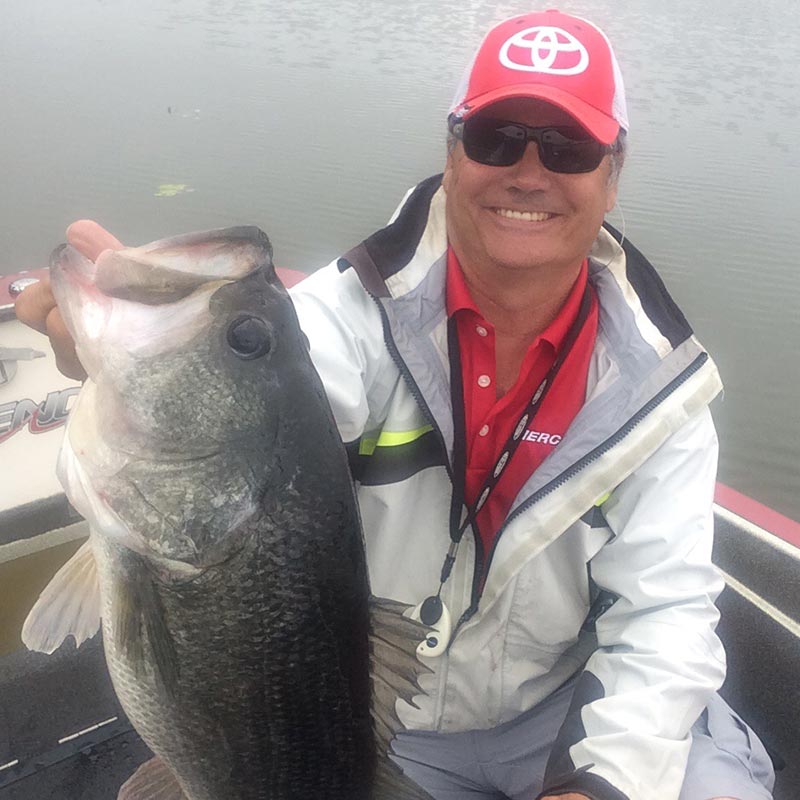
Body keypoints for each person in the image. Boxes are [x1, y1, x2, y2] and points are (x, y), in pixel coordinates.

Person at [16, 10, 777, 800]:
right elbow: (199, 467)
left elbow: (667, 614)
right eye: (495, 137)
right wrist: (115, 371)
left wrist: (604, 785)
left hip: (568, 718)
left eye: (568, 148)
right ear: (452, 154)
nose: (528, 171)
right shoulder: (340, 323)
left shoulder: (662, 386)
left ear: (613, 173)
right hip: (371, 731)